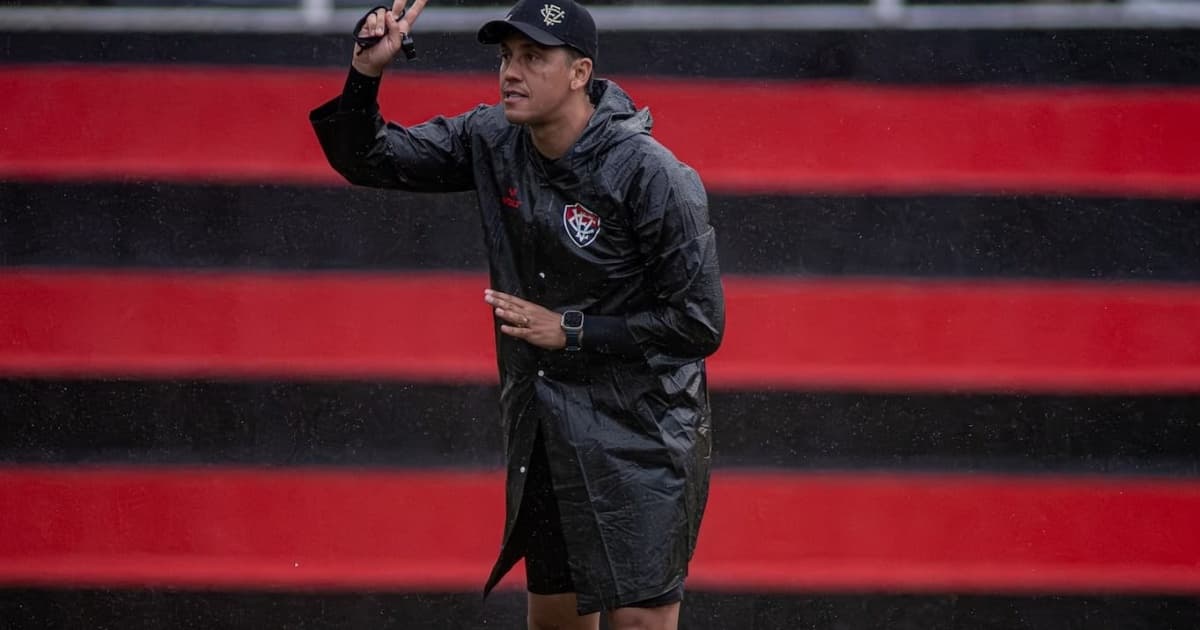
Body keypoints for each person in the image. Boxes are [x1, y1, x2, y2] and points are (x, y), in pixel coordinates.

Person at [309, 1, 725, 627]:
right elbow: (368, 159)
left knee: (639, 621)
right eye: (506, 57)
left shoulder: (654, 174)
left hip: (646, 432)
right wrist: (366, 72)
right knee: (555, 618)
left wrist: (572, 330)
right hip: (547, 426)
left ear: (580, 72)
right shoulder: (491, 138)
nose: (511, 72)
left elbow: (699, 324)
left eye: (534, 58)